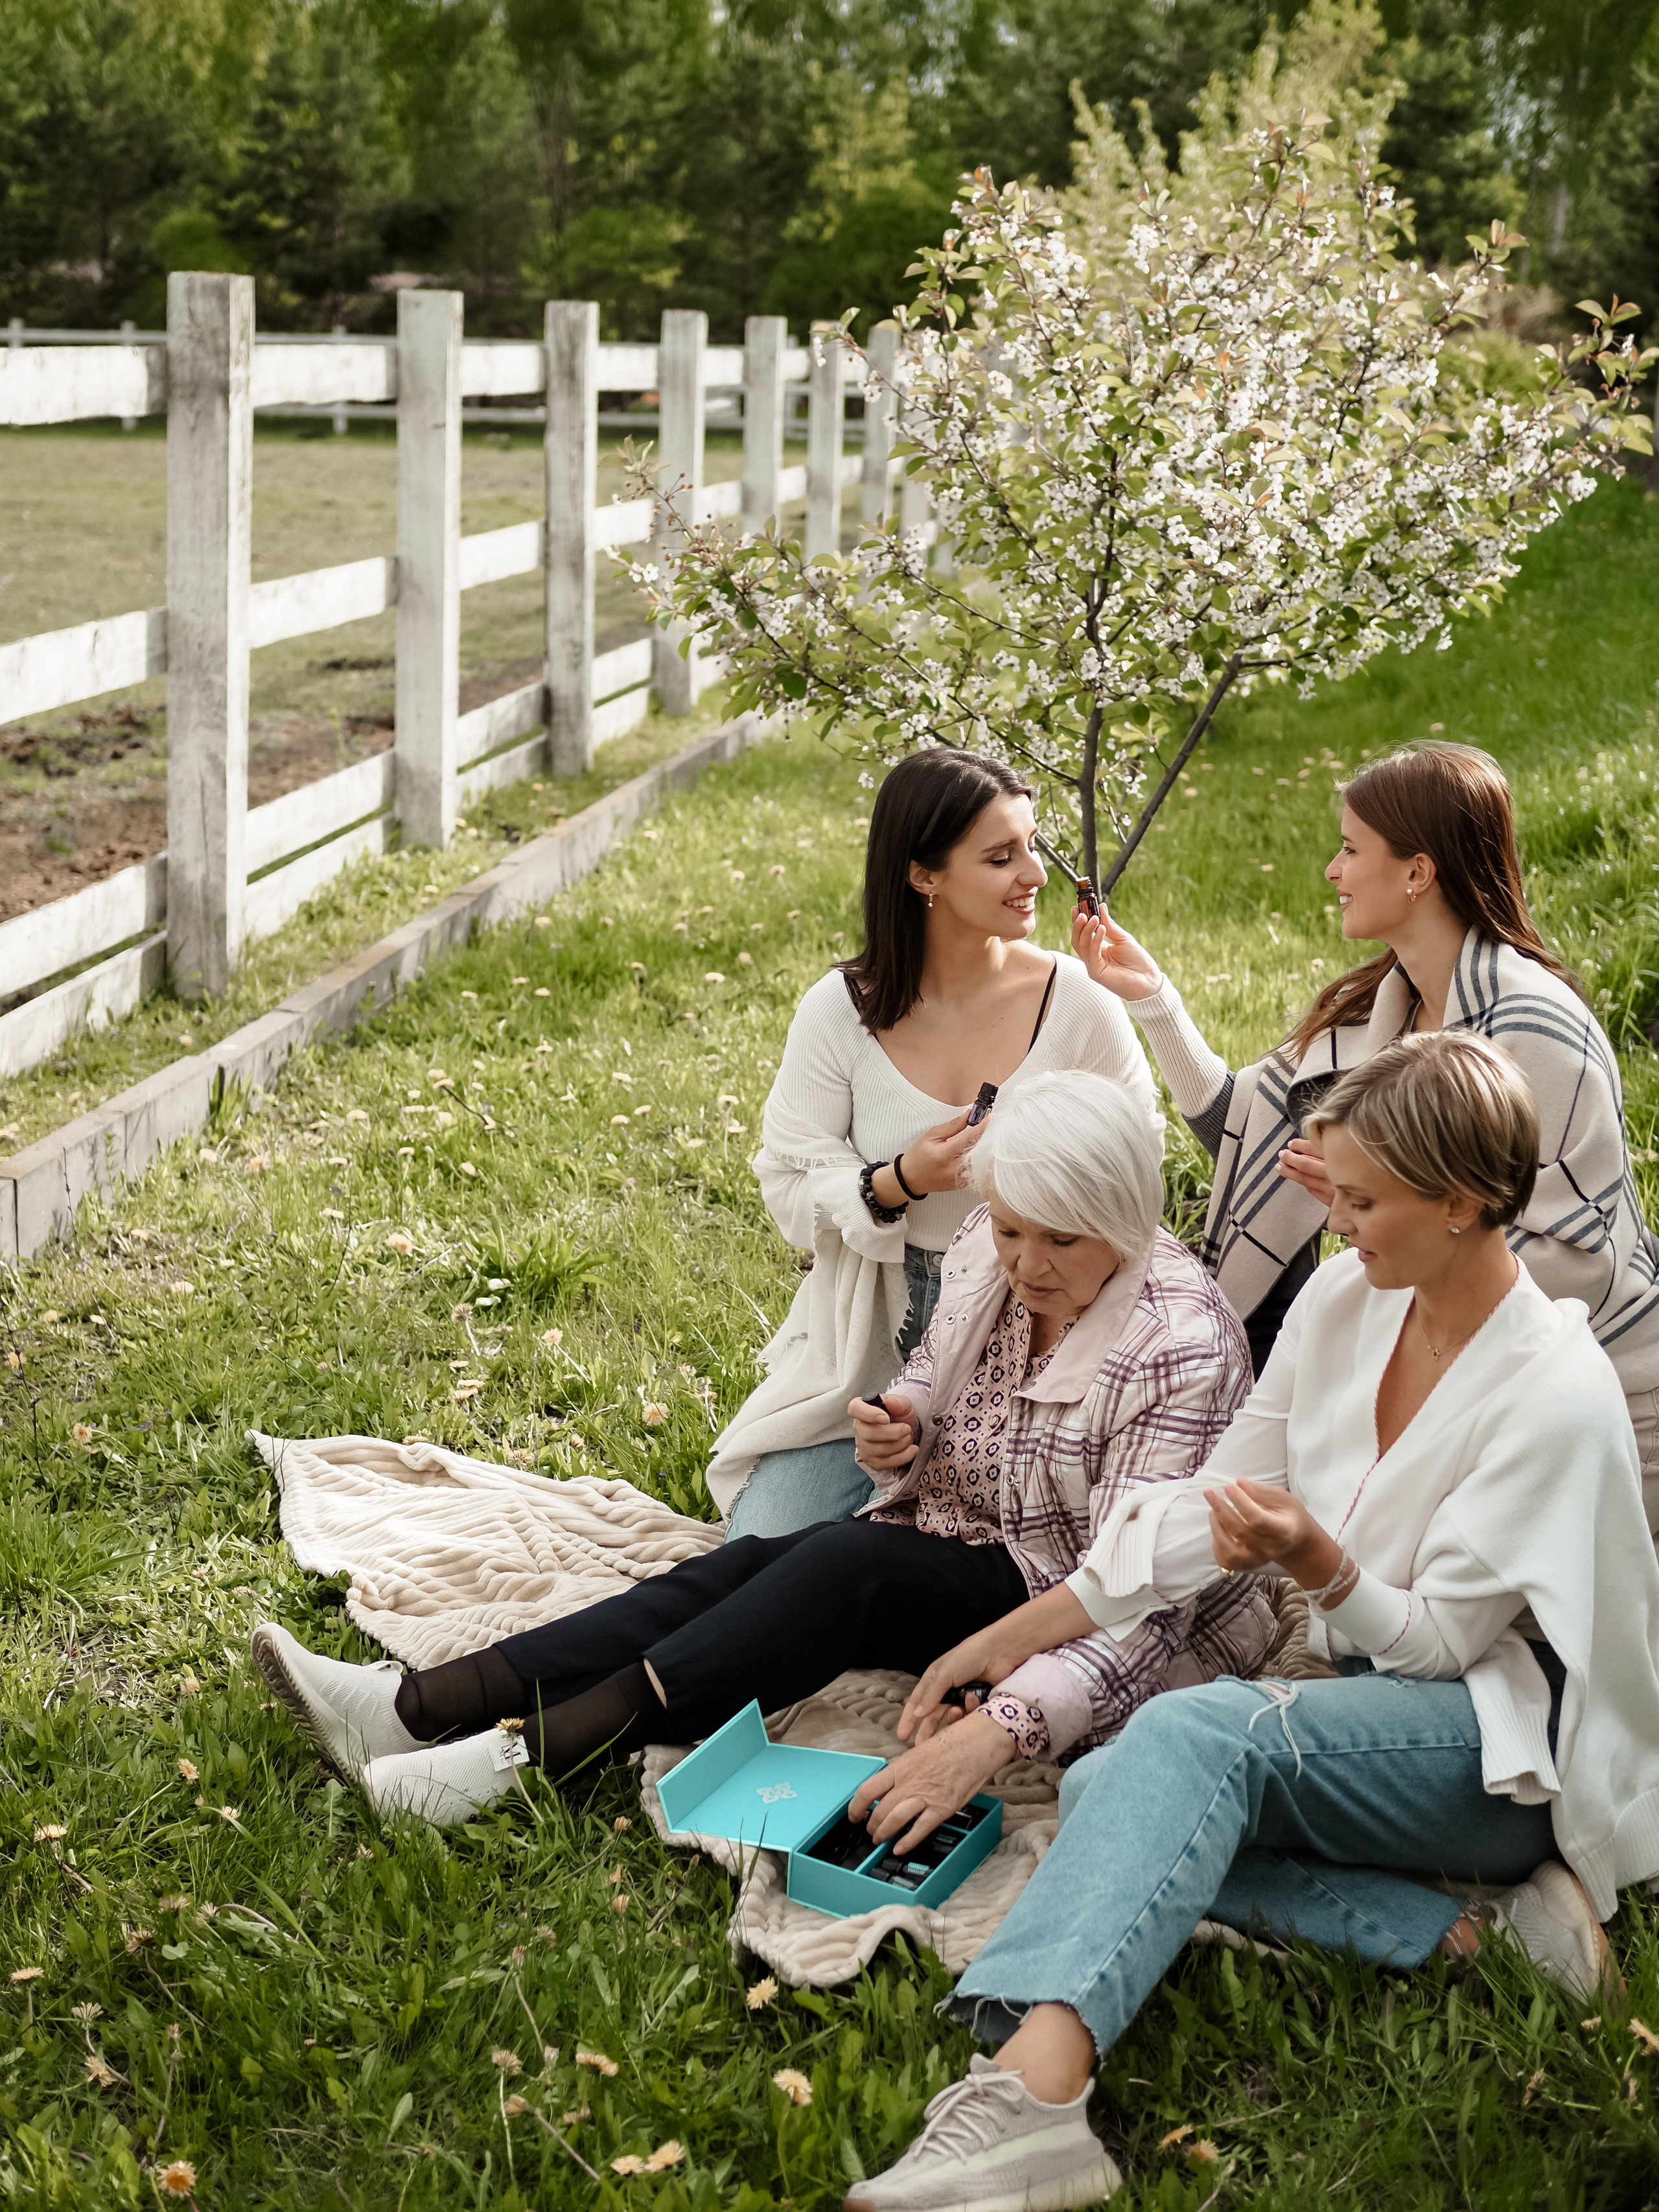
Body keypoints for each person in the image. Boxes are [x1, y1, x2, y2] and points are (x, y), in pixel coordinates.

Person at [841, 1032, 1659, 2212]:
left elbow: (1434, 1644)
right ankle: (1470, 1935)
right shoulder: (1347, 1301)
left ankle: (1033, 2093)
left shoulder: (1553, 1391)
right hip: (1361, 1699)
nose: (1340, 1226)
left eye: (1367, 1199)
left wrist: (1315, 1560)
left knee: (1186, 1746)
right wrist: (1012, 1634)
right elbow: (1196, 1510)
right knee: (1118, 1789)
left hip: (1503, 1739)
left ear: (1467, 1203)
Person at [251, 1073, 1273, 1828]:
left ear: (1126, 1220)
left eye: (1060, 1241)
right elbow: (946, 1373)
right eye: (1012, 1232)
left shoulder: (1173, 1347)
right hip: (974, 1531)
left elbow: (1144, 1602)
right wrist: (906, 1418)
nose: (1025, 1263)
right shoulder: (992, 1248)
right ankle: (420, 1702)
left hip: (1081, 1599)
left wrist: (1004, 1719)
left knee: (844, 1566)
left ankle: (519, 1759)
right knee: (746, 1568)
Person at [1073, 741, 1659, 1526]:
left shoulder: (1532, 1032)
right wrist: (1155, 1004)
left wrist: (1377, 1204)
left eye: (1351, 849)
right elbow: (1245, 1141)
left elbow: (1574, 1258)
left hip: (1595, 1397)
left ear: (1417, 871)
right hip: (1443, 1385)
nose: (1332, 869)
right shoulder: (1372, 1013)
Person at [709, 747, 1156, 1539]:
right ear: (924, 874)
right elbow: (784, 1178)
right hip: (882, 1335)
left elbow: (1137, 1171)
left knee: (963, 1565)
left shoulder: (1078, 1002)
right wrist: (895, 1180)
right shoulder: (842, 1008)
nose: (1035, 874)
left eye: (1029, 845)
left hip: (1043, 1333)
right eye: (999, 855)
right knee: (761, 1549)